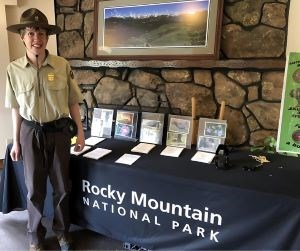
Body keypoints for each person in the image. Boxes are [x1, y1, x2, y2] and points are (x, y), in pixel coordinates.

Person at [5, 8, 85, 251]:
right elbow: (16, 108)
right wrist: (16, 141)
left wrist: (80, 132)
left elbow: (72, 101)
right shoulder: (14, 69)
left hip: (60, 132)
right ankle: (35, 235)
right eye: (30, 33)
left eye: (40, 32)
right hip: (30, 133)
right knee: (33, 188)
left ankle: (62, 233)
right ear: (22, 36)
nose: (36, 38)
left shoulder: (62, 65)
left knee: (62, 186)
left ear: (47, 36)